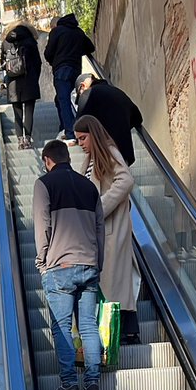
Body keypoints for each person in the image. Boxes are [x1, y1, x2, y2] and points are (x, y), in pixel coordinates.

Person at [33, 139, 105, 390]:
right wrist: (98, 263)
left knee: (62, 327)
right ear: (68, 158)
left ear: (47, 160)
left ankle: (69, 385)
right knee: (88, 325)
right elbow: (100, 229)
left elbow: (42, 225)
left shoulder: (44, 184)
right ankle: (93, 384)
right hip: (89, 264)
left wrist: (41, 260)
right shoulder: (89, 186)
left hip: (60, 266)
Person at [73, 113, 140, 343]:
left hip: (112, 230)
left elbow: (126, 180)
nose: (80, 144)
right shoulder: (91, 159)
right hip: (100, 234)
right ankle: (118, 333)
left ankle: (126, 333)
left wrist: (100, 207)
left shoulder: (109, 151)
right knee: (110, 284)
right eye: (78, 139)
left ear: (94, 134)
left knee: (114, 284)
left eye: (83, 138)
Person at [44, 14, 95, 144]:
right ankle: (65, 127)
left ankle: (71, 132)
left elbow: (48, 53)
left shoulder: (56, 32)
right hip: (76, 70)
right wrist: (76, 51)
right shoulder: (78, 32)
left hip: (61, 70)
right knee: (61, 100)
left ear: (54, 25)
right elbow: (91, 47)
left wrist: (56, 59)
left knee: (64, 101)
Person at [75, 72, 143, 166]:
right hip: (124, 153)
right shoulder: (117, 92)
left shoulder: (88, 94)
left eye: (79, 93)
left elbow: (79, 125)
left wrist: (75, 139)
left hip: (105, 152)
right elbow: (138, 118)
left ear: (83, 86)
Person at [1, 22, 42, 150]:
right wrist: (34, 77)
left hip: (13, 83)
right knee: (29, 112)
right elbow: (38, 62)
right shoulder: (30, 41)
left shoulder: (6, 43)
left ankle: (20, 141)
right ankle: (28, 140)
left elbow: (2, 63)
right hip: (29, 80)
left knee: (17, 113)